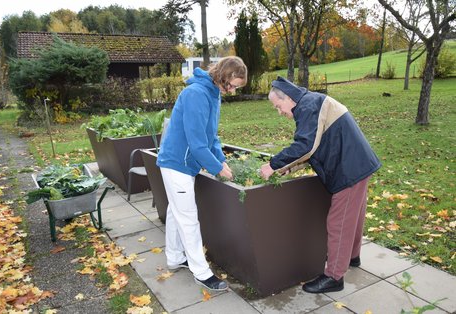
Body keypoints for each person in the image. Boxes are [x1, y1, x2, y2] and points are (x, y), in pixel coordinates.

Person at [260, 77, 381, 293]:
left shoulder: (308, 106)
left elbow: (305, 145)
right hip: (356, 163)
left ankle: (334, 276)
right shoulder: (311, 102)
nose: (279, 112)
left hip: (349, 169)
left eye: (278, 106)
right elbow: (315, 146)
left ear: (288, 98)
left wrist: (273, 165)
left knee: (339, 222)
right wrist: (289, 168)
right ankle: (351, 257)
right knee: (354, 215)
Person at [156, 56, 248, 291]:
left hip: (184, 163)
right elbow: (197, 145)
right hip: (177, 163)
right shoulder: (197, 94)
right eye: (234, 85)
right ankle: (202, 272)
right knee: (188, 220)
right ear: (224, 77)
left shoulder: (213, 93)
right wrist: (218, 169)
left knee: (176, 212)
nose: (234, 90)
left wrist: (221, 160)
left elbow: (211, 137)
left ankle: (175, 257)